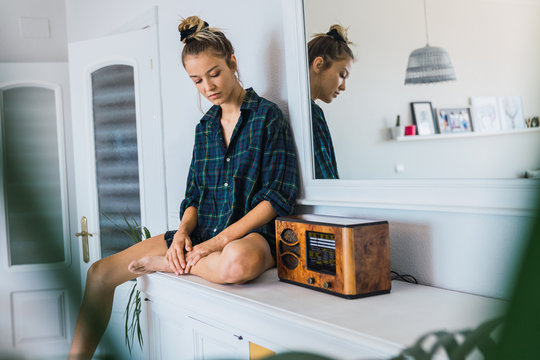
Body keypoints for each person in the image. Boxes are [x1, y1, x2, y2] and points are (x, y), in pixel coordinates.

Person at [68, 16, 298, 359]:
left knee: (235, 264)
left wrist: (216, 244)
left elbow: (276, 198)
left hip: (251, 237)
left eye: (214, 73)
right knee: (99, 273)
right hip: (201, 232)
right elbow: (193, 195)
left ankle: (163, 264)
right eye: (196, 80)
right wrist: (181, 236)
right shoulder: (204, 127)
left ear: (232, 62)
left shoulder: (268, 117)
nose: (208, 87)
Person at [308, 24, 354, 179]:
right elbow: (326, 181)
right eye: (342, 75)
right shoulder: (311, 114)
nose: (343, 87)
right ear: (319, 64)